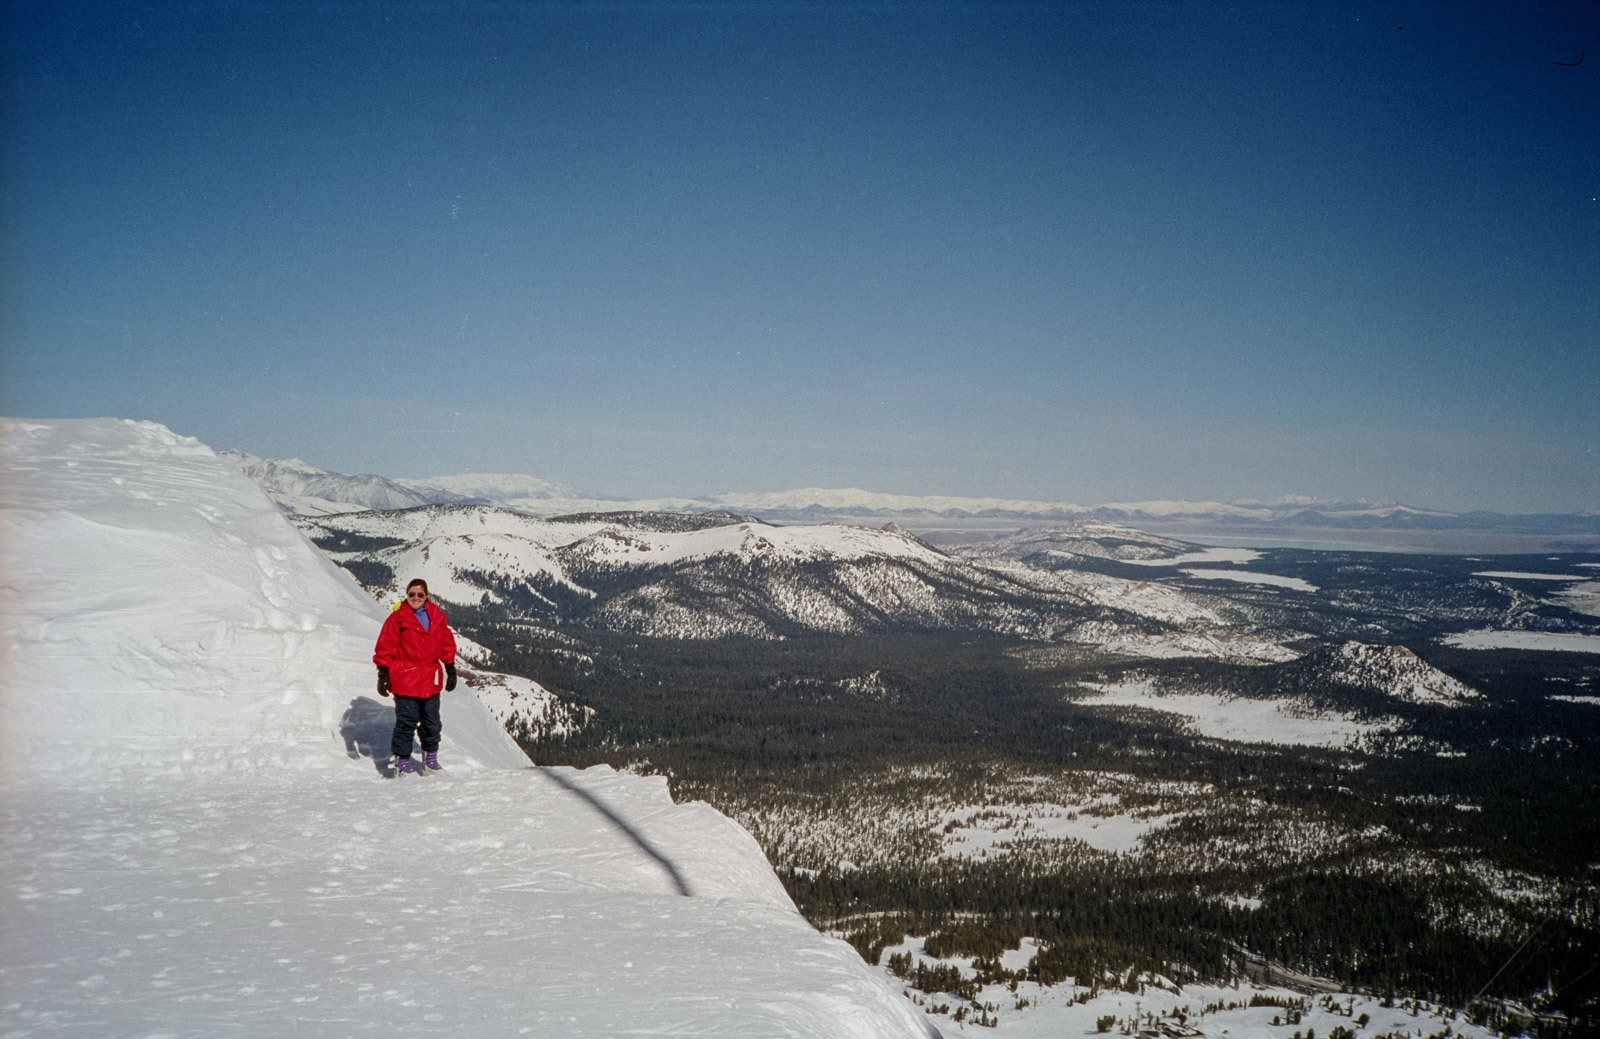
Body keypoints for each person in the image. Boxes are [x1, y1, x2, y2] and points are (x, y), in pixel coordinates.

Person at [372, 577, 457, 775]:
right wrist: (383, 674)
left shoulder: (437, 616)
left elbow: (446, 642)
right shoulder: (397, 618)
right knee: (406, 722)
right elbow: (386, 646)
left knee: (432, 722)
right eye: (412, 594)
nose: (415, 598)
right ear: (407, 595)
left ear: (426, 596)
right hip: (406, 679)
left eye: (420, 594)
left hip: (430, 679)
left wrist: (450, 668)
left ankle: (430, 762)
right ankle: (402, 764)